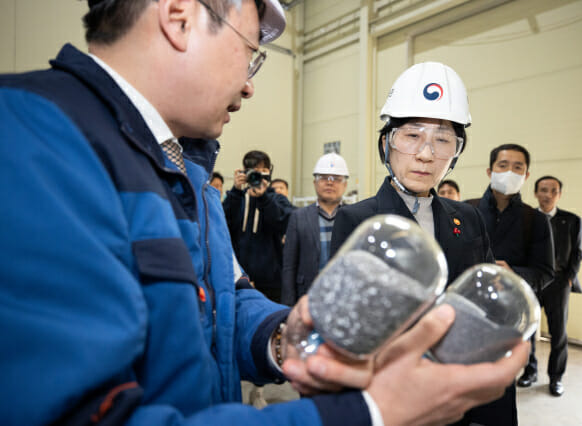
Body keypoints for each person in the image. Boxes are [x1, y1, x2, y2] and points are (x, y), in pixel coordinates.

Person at [0, 1, 531, 424]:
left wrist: (282, 336)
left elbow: (220, 301)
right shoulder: (29, 140)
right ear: (179, 17)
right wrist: (367, 413)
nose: (251, 83)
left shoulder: (187, 175)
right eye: (251, 53)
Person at [330, 61, 526, 426]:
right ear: (387, 142)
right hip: (395, 391)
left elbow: (486, 306)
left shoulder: (467, 218)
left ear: (456, 151)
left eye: (442, 139)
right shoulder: (357, 220)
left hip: (463, 385)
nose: (426, 154)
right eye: (412, 136)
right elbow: (346, 328)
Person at [466, 144, 555, 391]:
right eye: (503, 165)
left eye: (518, 168)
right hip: (468, 308)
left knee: (497, 387)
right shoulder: (466, 211)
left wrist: (513, 273)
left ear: (526, 176)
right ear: (489, 171)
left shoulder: (535, 220)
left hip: (510, 314)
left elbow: (546, 271)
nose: (509, 172)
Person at [533, 175, 582, 396]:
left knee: (558, 332)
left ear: (559, 194)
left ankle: (556, 378)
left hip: (559, 283)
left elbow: (577, 253)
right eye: (543, 190)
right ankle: (529, 372)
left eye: (553, 191)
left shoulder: (571, 220)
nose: (548, 195)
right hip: (533, 282)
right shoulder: (528, 219)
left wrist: (569, 279)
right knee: (526, 332)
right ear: (536, 193)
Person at [223, 150, 293, 303]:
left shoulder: (278, 200)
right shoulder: (238, 199)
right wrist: (235, 191)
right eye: (255, 172)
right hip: (238, 278)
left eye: (263, 171)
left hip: (271, 282)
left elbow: (283, 224)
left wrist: (264, 199)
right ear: (245, 173)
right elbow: (223, 225)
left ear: (270, 173)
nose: (259, 176)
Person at [282, 152, 349, 306]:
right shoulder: (298, 217)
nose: (330, 183)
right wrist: (288, 308)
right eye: (324, 178)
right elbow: (289, 267)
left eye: (336, 179)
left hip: (343, 298)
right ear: (314, 182)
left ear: (345, 185)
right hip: (308, 298)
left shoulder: (354, 216)